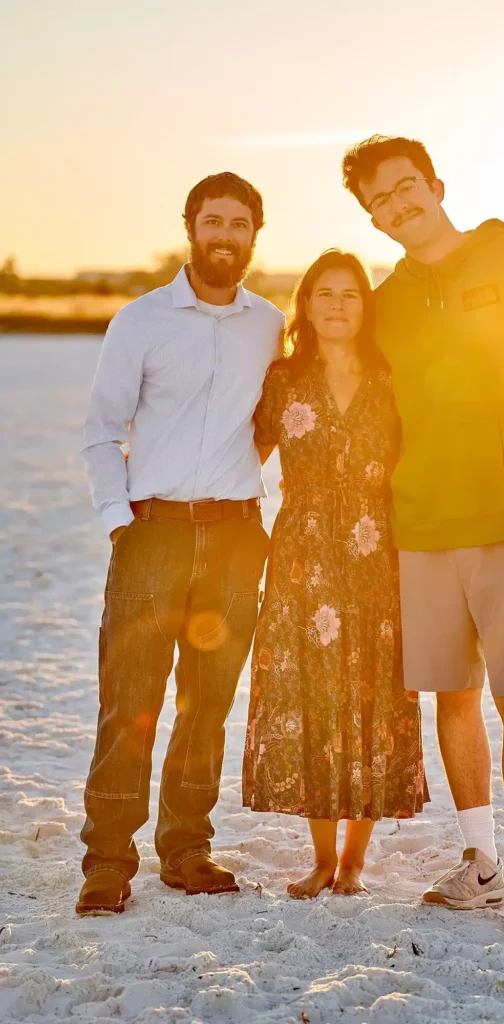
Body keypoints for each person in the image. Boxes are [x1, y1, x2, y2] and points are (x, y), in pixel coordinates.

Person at [342, 136, 504, 934]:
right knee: (451, 700)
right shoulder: (384, 303)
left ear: (434, 184)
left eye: (404, 189)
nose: (397, 208)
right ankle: (481, 865)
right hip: (419, 529)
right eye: (378, 202)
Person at [77, 172, 284, 915]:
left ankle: (187, 848)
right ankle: (106, 861)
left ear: (254, 234)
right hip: (151, 534)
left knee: (206, 705)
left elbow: (267, 423)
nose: (224, 235)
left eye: (238, 224)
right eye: (212, 221)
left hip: (235, 539)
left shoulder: (269, 323)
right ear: (191, 226)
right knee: (128, 700)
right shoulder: (140, 320)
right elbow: (102, 429)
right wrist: (119, 522)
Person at [242, 249, 429, 899]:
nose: (336, 304)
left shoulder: (390, 376)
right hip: (302, 559)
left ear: (364, 304)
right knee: (315, 699)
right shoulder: (284, 380)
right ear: (306, 303)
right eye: (323, 292)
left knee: (373, 701)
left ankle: (354, 860)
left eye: (349, 293)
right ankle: (322, 858)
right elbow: (245, 455)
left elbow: (426, 455)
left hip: (379, 556)